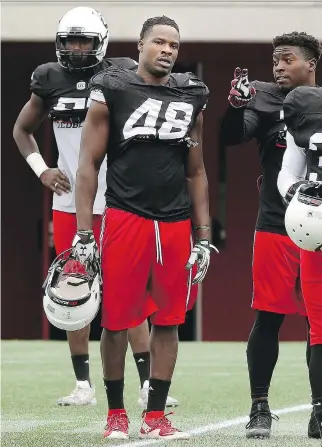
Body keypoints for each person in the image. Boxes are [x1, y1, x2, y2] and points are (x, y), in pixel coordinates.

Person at [13, 6, 178, 409]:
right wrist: (42, 170)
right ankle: (83, 384)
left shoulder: (121, 72)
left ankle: (145, 383)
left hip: (120, 201)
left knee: (130, 293)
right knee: (74, 290)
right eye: (70, 41)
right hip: (69, 202)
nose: (76, 48)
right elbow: (22, 129)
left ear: (100, 41)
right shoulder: (49, 77)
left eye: (84, 40)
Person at [73, 15, 214, 440]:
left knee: (169, 321)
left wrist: (203, 235)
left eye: (174, 44)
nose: (168, 50)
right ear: (140, 45)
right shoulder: (114, 87)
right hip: (125, 217)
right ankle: (116, 413)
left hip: (173, 224)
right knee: (116, 321)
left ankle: (155, 416)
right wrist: (84, 233)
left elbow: (197, 171)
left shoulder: (190, 94)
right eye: (159, 42)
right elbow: (88, 165)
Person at [220, 31, 321, 439]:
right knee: (269, 315)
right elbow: (232, 136)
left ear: (310, 63)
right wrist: (235, 107)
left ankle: (319, 410)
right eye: (274, 60)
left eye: (287, 59)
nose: (278, 66)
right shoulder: (263, 97)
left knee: (320, 321)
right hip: (277, 223)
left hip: (320, 229)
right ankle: (259, 406)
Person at [277, 85, 322, 440]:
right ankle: (319, 411)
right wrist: (297, 192)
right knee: (319, 329)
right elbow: (288, 174)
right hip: (317, 228)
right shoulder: (305, 108)